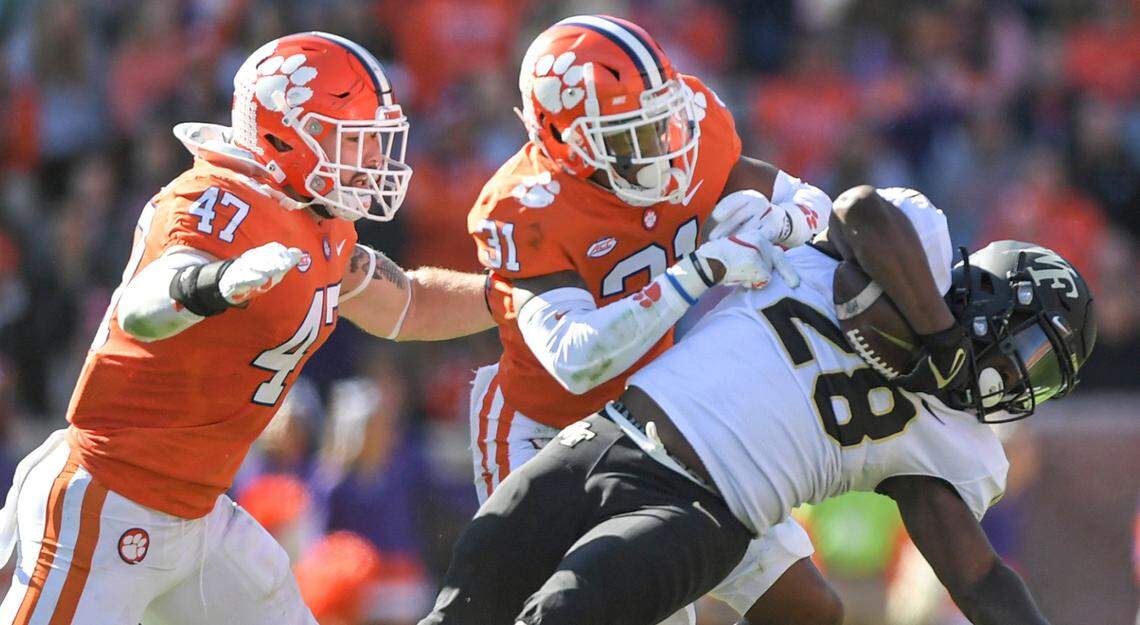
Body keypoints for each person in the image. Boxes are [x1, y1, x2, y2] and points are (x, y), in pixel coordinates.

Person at [421, 185, 1097, 625]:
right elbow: (859, 208)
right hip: (606, 434)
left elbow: (979, 578)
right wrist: (940, 338)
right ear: (993, 298)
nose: (1018, 381)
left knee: (565, 612)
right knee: (467, 602)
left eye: (1042, 379)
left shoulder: (948, 438)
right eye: (1030, 355)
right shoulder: (912, 246)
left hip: (699, 510)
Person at [0, 32, 493, 625]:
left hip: (198, 515)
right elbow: (143, 306)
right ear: (286, 135)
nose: (370, 161)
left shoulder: (319, 224)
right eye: (352, 141)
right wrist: (218, 283)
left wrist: (514, 298)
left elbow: (408, 303)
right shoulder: (217, 201)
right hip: (109, 500)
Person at [466, 14, 833, 624]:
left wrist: (781, 225)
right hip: (545, 428)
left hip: (662, 410)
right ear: (564, 142)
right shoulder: (521, 206)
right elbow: (577, 359)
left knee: (808, 608)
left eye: (660, 121)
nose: (664, 146)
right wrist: (701, 271)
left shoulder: (691, 126)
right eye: (630, 135)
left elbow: (810, 202)